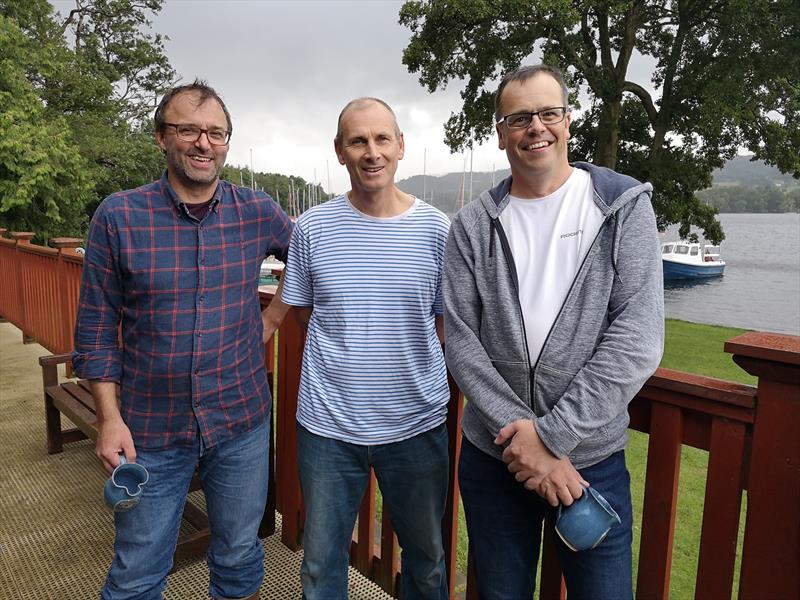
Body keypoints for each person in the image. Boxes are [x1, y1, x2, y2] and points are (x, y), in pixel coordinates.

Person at [443, 64, 664, 599]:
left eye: (547, 112)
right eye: (519, 117)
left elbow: (638, 338)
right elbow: (461, 342)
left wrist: (551, 439)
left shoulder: (622, 206)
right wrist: (526, 442)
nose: (535, 127)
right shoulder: (472, 225)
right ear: (500, 133)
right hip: (495, 461)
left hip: (591, 463)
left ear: (568, 121)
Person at [72, 79, 294, 600]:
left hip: (239, 420)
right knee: (138, 570)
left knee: (239, 556)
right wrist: (108, 419)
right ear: (160, 138)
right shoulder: (120, 216)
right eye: (188, 129)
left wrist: (275, 315)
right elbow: (97, 329)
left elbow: (311, 257)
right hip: (149, 428)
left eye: (216, 133)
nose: (203, 143)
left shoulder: (257, 211)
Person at [280, 97, 451, 600]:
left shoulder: (436, 229)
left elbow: (442, 323)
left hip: (415, 424)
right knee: (319, 564)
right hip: (328, 427)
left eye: (381, 139)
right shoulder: (311, 227)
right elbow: (307, 313)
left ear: (401, 147)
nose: (371, 152)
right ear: (340, 151)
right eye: (358, 140)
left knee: (428, 564)